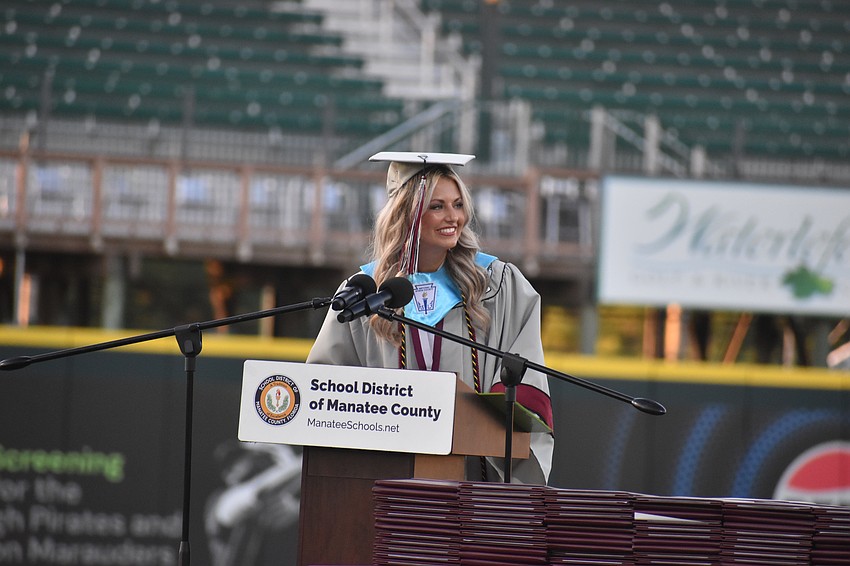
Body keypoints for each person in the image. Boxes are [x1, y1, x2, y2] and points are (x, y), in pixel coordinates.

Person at [306, 152, 554, 485]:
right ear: (406, 215)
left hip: (474, 484)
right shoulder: (365, 294)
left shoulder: (496, 284)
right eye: (436, 206)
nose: (453, 217)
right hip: (388, 484)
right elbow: (327, 396)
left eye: (458, 204)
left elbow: (524, 380)